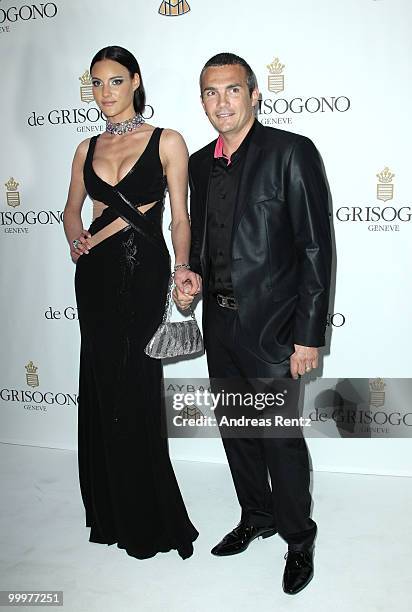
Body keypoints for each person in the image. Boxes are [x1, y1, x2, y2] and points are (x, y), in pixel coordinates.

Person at [174, 52, 332, 592]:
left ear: (254, 93)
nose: (222, 102)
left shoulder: (291, 153)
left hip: (273, 330)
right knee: (237, 432)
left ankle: (298, 538)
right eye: (211, 93)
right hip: (219, 326)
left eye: (232, 90)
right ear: (202, 100)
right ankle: (256, 517)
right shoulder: (198, 163)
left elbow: (315, 248)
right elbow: (208, 236)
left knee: (280, 439)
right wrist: (192, 275)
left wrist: (308, 334)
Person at [63, 45, 200, 560]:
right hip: (95, 275)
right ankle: (110, 507)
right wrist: (77, 239)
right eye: (96, 83)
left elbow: (180, 218)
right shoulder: (85, 147)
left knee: (138, 382)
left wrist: (183, 266)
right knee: (101, 380)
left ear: (136, 81)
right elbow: (71, 210)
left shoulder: (167, 141)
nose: (105, 93)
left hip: (145, 271)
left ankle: (147, 512)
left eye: (115, 81)